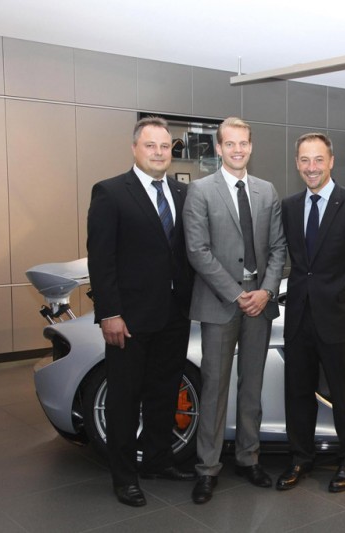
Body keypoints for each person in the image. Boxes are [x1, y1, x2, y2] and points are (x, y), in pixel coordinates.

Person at [86, 116, 196, 508]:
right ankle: (124, 477)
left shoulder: (183, 194)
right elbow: (101, 260)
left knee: (164, 393)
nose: (159, 152)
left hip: (174, 315)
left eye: (165, 146)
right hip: (129, 320)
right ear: (135, 148)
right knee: (125, 399)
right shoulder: (111, 192)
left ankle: (157, 461)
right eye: (151, 145)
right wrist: (109, 313)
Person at [183, 117, 286, 504]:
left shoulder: (266, 190)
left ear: (251, 147)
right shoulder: (200, 191)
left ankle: (248, 458)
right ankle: (207, 468)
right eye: (230, 144)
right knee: (214, 388)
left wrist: (266, 291)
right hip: (219, 302)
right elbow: (198, 251)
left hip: (260, 301)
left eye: (243, 143)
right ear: (218, 148)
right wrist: (234, 293)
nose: (237, 150)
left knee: (252, 386)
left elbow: (278, 248)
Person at [278, 132, 345, 493]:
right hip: (299, 316)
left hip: (340, 316)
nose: (312, 167)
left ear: (331, 161)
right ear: (297, 164)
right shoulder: (289, 206)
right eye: (305, 160)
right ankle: (300, 458)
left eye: (318, 159)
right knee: (297, 393)